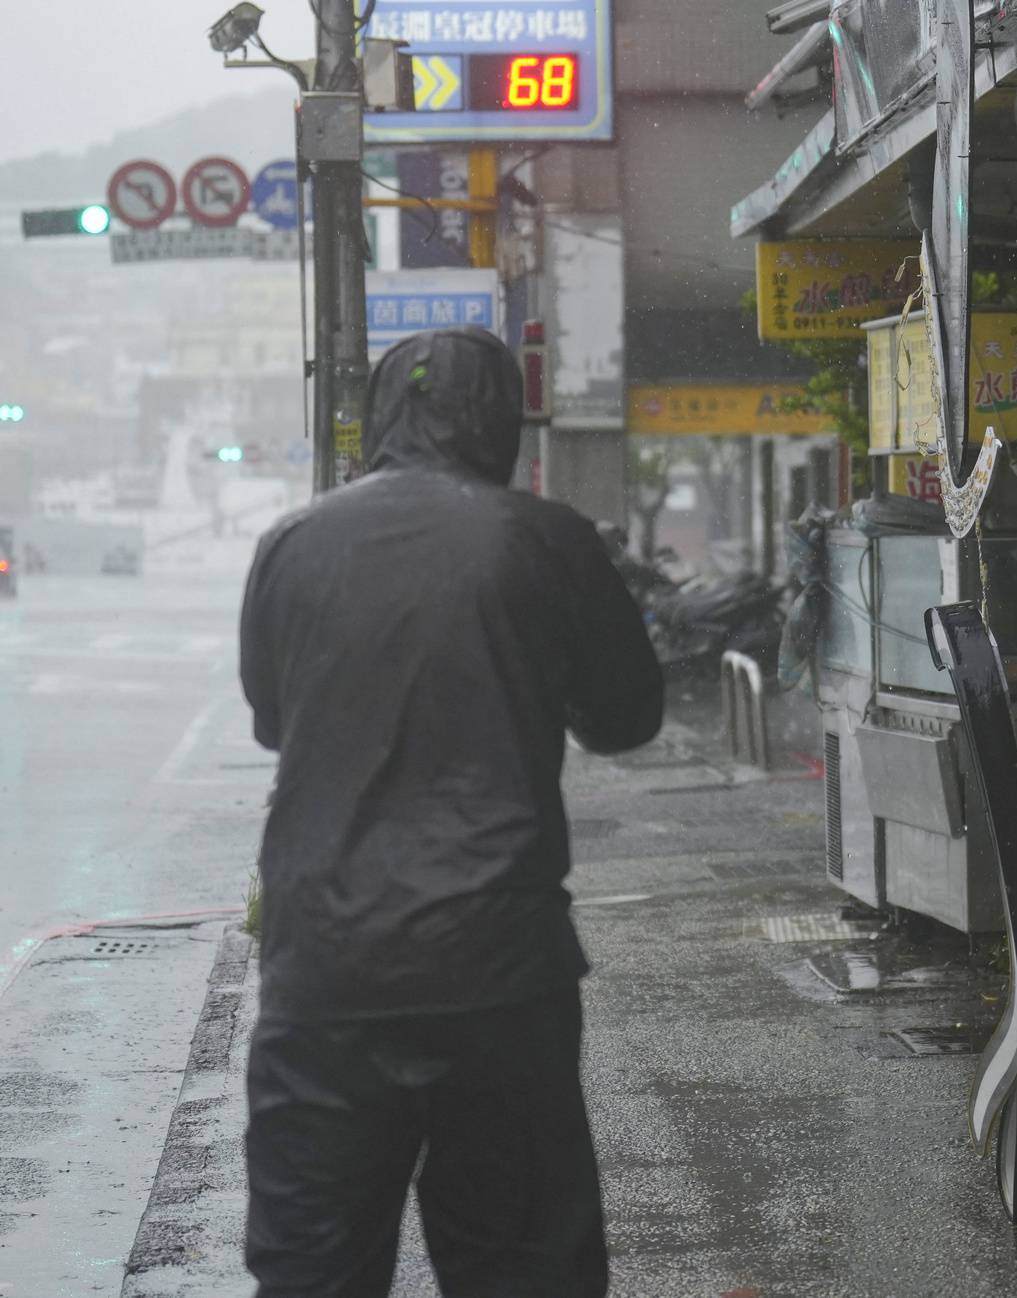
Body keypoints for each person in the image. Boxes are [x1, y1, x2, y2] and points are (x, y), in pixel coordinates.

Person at [238, 326, 663, 1297]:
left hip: (325, 967)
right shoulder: (544, 537)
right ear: (500, 421)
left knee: (313, 1264)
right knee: (520, 1264)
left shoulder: (291, 544)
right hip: (498, 964)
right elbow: (627, 718)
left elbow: (274, 720)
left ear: (383, 417)